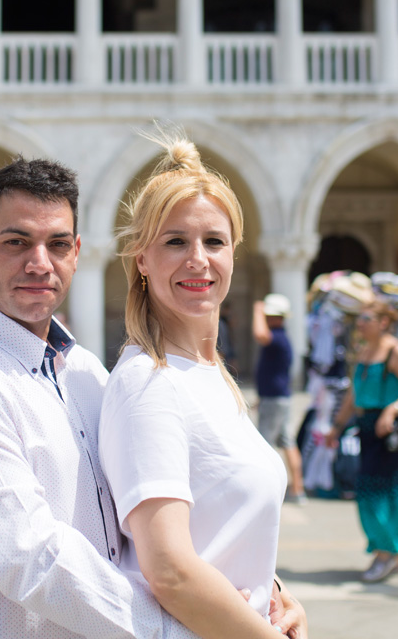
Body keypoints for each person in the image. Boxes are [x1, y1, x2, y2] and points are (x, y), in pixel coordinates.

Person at [0, 157, 306, 639]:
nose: (39, 262)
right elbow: (31, 557)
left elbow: (152, 522)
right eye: (16, 242)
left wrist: (263, 594)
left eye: (57, 244)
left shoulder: (83, 370)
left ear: (78, 253)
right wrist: (186, 628)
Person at [100, 137, 308, 639]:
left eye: (213, 241)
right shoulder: (147, 384)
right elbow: (169, 570)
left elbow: (218, 530)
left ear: (233, 253)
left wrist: (276, 595)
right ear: (141, 259)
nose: (198, 259)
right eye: (175, 242)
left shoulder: (210, 375)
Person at [325, 299, 398, 583]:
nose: (360, 323)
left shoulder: (397, 351)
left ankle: (388, 552)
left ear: (383, 322)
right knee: (368, 489)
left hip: (390, 430)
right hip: (367, 426)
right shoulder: (364, 351)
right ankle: (388, 549)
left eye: (366, 318)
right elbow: (353, 394)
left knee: (382, 490)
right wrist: (337, 426)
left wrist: (393, 410)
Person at [253, 293, 307, 504]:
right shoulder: (282, 337)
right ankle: (298, 488)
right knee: (287, 441)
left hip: (274, 399)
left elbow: (259, 334)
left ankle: (266, 491)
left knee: (264, 444)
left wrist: (257, 310)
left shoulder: (277, 338)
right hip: (277, 397)